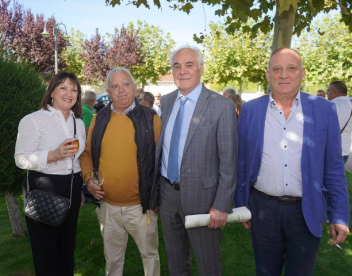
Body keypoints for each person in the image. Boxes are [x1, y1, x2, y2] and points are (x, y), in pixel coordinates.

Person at [235, 48, 350, 276]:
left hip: (306, 211)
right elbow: (242, 161)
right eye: (277, 69)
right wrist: (240, 203)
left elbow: (334, 168)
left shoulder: (324, 110)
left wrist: (338, 215)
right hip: (263, 210)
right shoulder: (250, 110)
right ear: (268, 74)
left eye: (291, 68)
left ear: (302, 73)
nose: (283, 75)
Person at [150, 46, 237, 275]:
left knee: (208, 264)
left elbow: (229, 161)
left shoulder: (221, 105)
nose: (182, 71)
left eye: (189, 65)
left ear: (201, 69)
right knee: (176, 262)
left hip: (204, 199)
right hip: (168, 195)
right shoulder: (167, 101)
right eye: (177, 66)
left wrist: (221, 204)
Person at [81, 67, 161, 276]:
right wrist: (89, 179)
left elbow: (162, 160)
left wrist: (157, 198)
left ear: (135, 89)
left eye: (126, 84)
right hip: (108, 208)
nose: (121, 90)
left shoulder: (151, 118)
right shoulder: (99, 119)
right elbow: (87, 154)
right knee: (113, 262)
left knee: (150, 258)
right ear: (108, 90)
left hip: (142, 207)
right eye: (115, 86)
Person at [15, 72, 86, 276]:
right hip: (44, 189)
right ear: (52, 92)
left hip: (72, 188)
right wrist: (53, 155)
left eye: (74, 89)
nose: (69, 93)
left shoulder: (78, 122)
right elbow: (20, 158)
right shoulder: (34, 120)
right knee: (45, 254)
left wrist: (78, 188)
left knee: (67, 250)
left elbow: (76, 159)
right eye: (63, 87)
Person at [326, 81, 352, 163]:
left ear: (334, 92)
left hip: (330, 149)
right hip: (345, 149)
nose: (327, 93)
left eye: (328, 90)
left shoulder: (330, 105)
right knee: (338, 174)